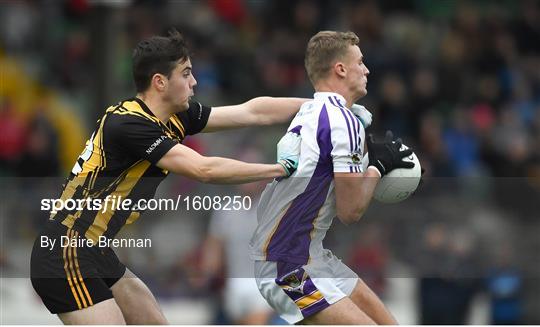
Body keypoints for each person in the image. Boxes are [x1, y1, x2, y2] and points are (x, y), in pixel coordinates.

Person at [30, 29, 305, 325]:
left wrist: (318, 106)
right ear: (160, 82)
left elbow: (251, 112)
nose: (194, 82)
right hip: (65, 250)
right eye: (186, 74)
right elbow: (204, 170)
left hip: (94, 250)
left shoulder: (174, 117)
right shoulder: (129, 124)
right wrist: (279, 169)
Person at [250, 31, 414, 325]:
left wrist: (369, 158)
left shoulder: (309, 111)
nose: (367, 69)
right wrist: (377, 168)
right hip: (288, 266)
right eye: (360, 62)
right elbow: (350, 211)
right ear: (340, 69)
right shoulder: (343, 121)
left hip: (311, 256)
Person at [201, 148, 276, 325]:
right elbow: (214, 248)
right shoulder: (225, 210)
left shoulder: (273, 209)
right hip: (234, 286)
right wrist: (207, 273)